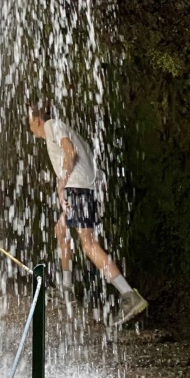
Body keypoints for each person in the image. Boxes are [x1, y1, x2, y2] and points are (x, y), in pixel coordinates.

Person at [28, 102, 148, 325]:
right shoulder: (56, 130)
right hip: (81, 189)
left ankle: (128, 295)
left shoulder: (54, 125)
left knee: (89, 244)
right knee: (61, 229)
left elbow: (70, 152)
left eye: (29, 120)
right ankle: (67, 289)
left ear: (36, 119)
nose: (29, 126)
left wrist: (61, 185)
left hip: (79, 189)